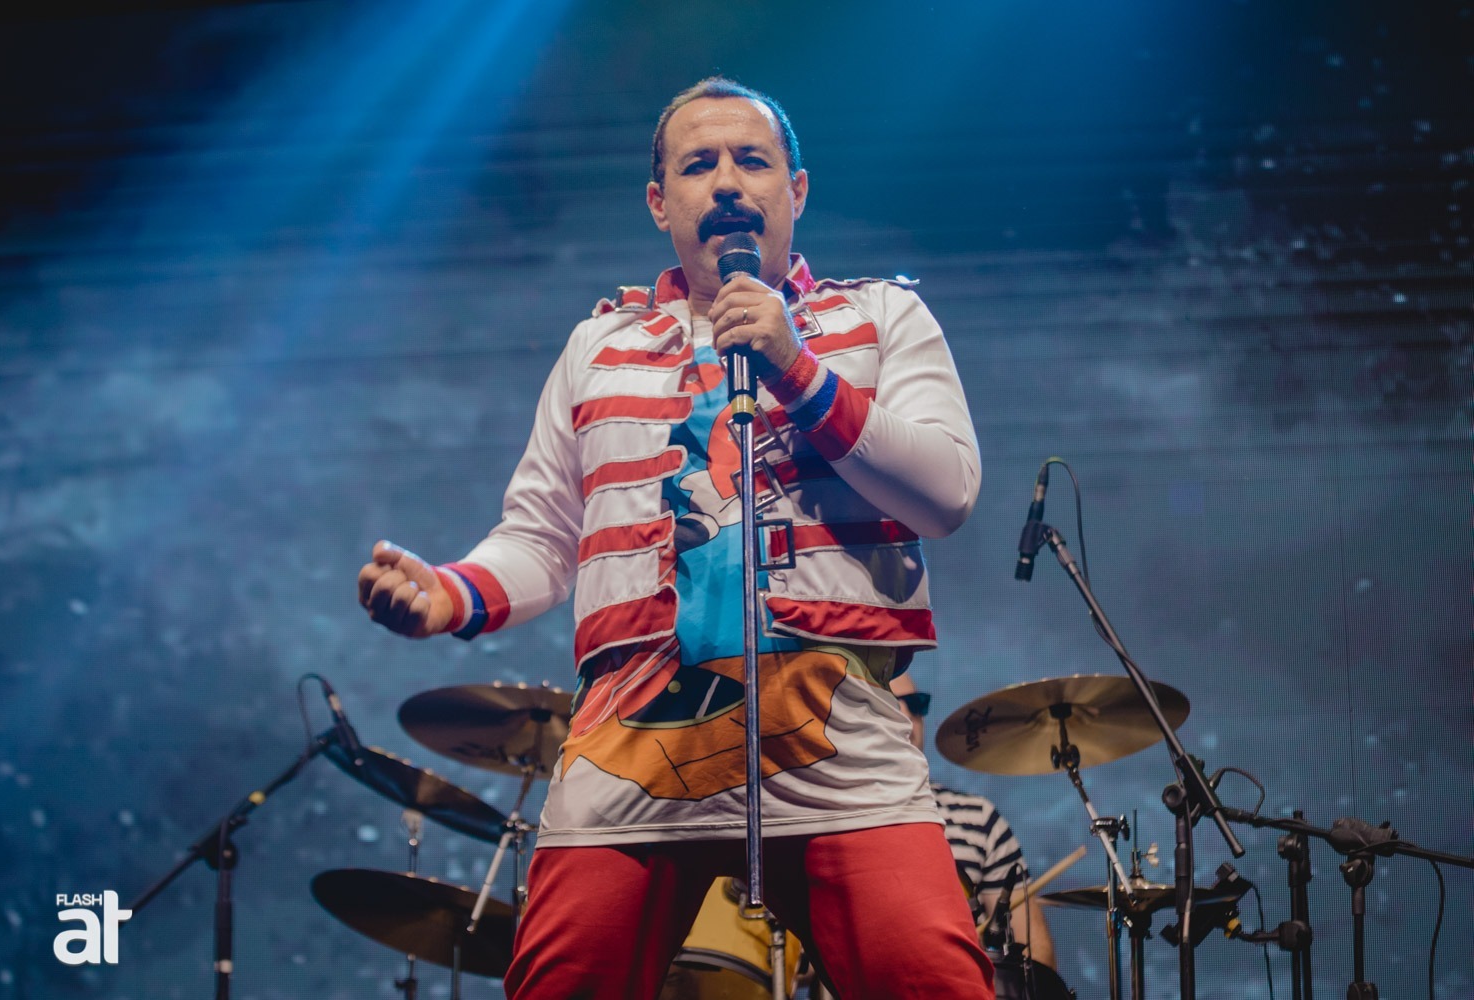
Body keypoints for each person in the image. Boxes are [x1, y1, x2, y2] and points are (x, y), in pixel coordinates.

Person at [358, 77, 990, 1000]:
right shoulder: (596, 346)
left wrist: (795, 365)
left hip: (835, 734)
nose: (727, 182)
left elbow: (946, 492)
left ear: (795, 190)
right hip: (631, 739)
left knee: (934, 983)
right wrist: (449, 595)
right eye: (699, 165)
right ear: (661, 203)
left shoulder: (882, 317)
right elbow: (542, 538)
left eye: (752, 161)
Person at [889, 673, 1058, 970]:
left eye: (915, 704)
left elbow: (1036, 960)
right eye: (888, 703)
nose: (906, 715)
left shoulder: (979, 818)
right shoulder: (830, 821)